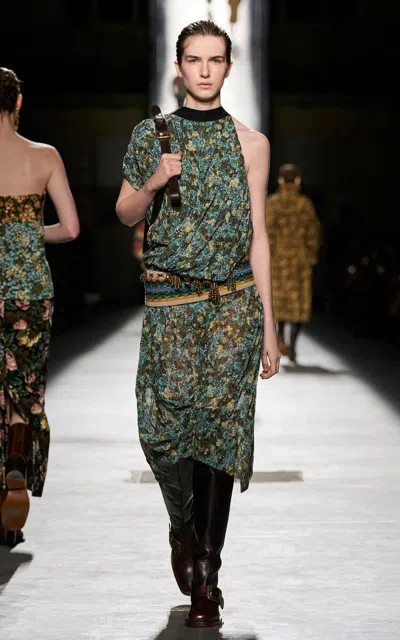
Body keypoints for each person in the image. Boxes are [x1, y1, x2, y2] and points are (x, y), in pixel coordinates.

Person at [116, 21, 279, 628]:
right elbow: (125, 210)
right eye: (194, 59)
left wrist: (269, 328)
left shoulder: (252, 144)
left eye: (215, 60)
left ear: (228, 67)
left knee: (218, 438)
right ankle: (182, 527)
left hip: (233, 307)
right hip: (170, 308)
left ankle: (207, 576)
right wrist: (156, 179)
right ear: (179, 67)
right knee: (161, 435)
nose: (205, 70)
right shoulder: (151, 136)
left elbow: (259, 236)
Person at [0, 68, 80, 548]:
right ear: (18, 103)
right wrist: (27, 234)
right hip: (29, 291)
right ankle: (15, 461)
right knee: (23, 390)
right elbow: (70, 228)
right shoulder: (44, 155)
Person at [267, 164, 321, 363]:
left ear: (280, 180)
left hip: (278, 261)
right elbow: (313, 233)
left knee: (280, 303)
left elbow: (267, 233)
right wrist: (311, 256)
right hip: (299, 261)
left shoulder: (272, 203)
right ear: (298, 180)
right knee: (299, 305)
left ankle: (281, 337)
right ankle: (293, 345)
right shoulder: (304, 204)